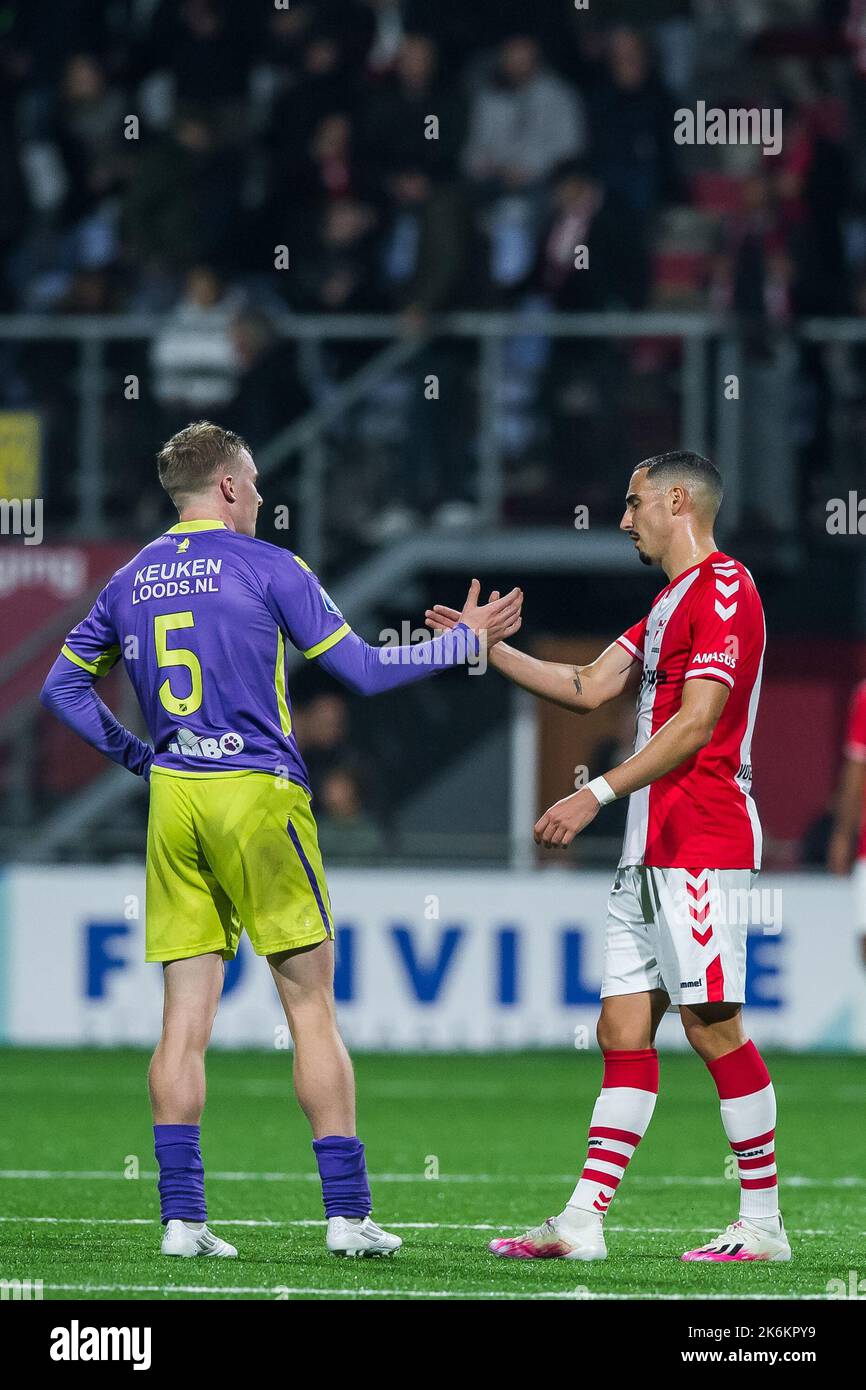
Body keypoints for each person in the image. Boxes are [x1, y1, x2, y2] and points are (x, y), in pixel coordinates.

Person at [40, 420, 522, 1260]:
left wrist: (138, 757)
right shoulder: (269, 568)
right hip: (257, 796)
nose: (262, 498)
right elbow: (366, 672)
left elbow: (62, 687)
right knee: (309, 1007)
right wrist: (463, 642)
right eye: (255, 484)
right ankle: (346, 1215)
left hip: (176, 799)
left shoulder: (130, 579)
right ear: (227, 486)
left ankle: (182, 1223)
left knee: (183, 1021)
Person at [427, 451, 790, 1264]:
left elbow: (697, 725)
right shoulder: (669, 602)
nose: (623, 520)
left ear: (676, 499)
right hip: (649, 846)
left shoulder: (727, 590)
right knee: (621, 1029)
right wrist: (484, 652)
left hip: (700, 838)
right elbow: (590, 684)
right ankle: (584, 1221)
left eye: (632, 505)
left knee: (713, 1027)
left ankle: (762, 1226)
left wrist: (594, 794)